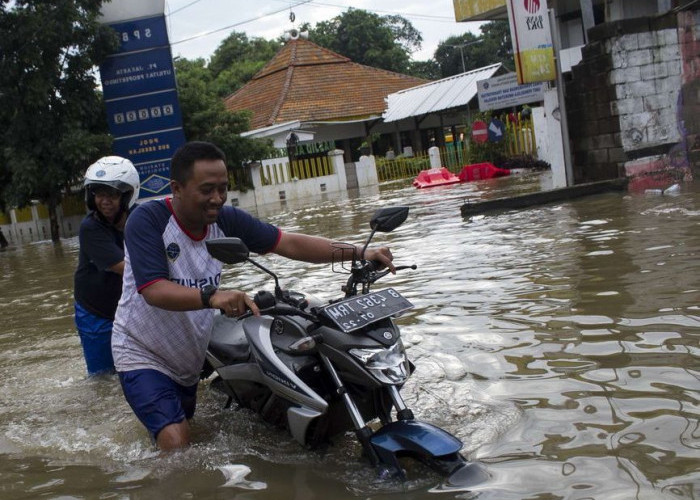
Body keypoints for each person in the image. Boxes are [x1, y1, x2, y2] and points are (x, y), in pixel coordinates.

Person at [112, 141, 394, 451]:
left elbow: (288, 243)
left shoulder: (225, 219)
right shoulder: (147, 220)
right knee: (177, 443)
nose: (217, 198)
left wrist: (360, 252)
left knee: (184, 434)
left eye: (223, 188)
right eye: (207, 189)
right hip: (142, 352)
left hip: (188, 354)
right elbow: (153, 290)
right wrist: (213, 297)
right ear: (177, 188)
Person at [73, 156, 140, 376]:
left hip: (131, 308)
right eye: (100, 194)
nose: (105, 201)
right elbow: (125, 267)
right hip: (96, 311)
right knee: (103, 378)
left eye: (111, 194)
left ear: (127, 195)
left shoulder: (142, 218)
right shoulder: (90, 227)